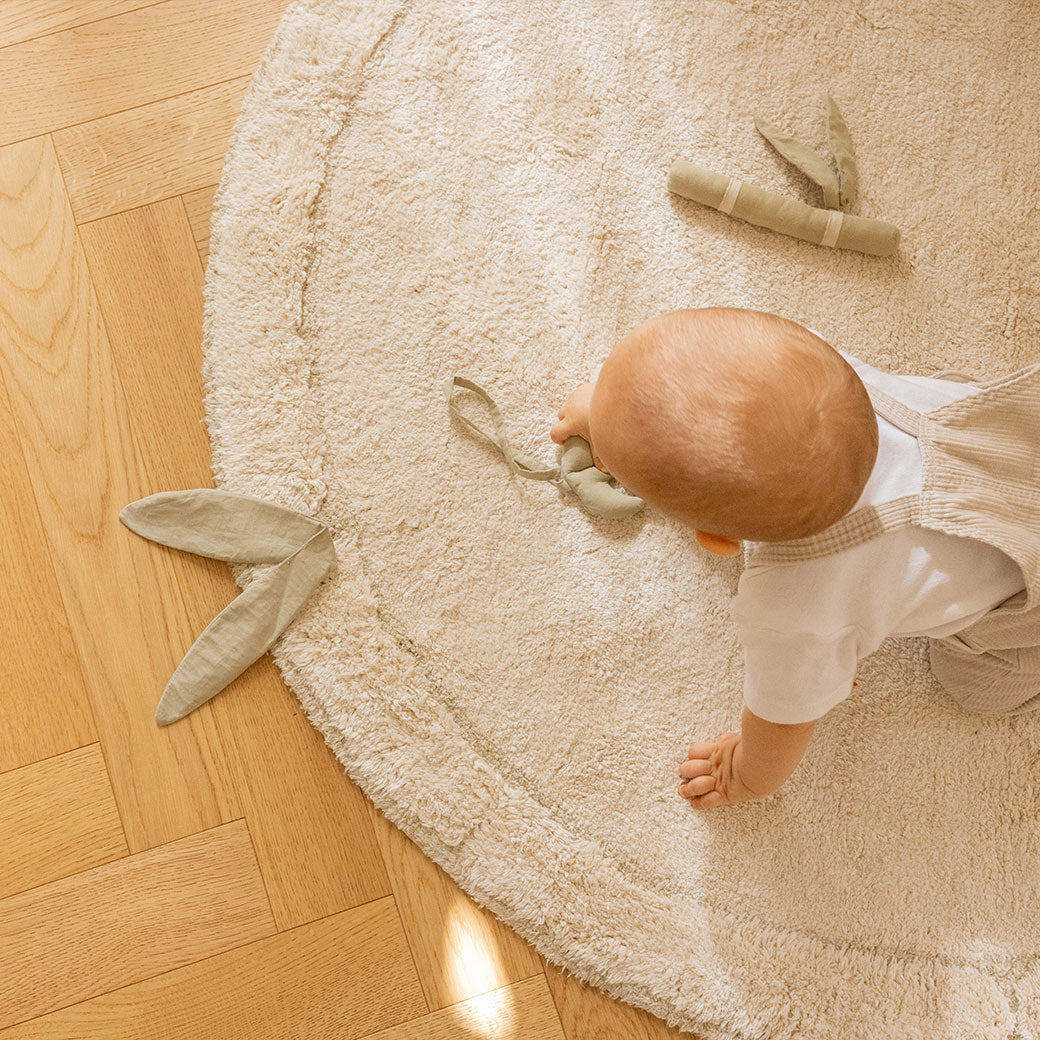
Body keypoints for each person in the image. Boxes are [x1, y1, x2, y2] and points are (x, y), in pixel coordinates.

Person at [550, 307, 1039, 809]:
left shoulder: (790, 608)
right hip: (1011, 434)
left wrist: (744, 776)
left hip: (1027, 608)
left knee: (976, 685)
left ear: (719, 539)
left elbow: (784, 721)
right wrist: (609, 410)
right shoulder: (820, 376)